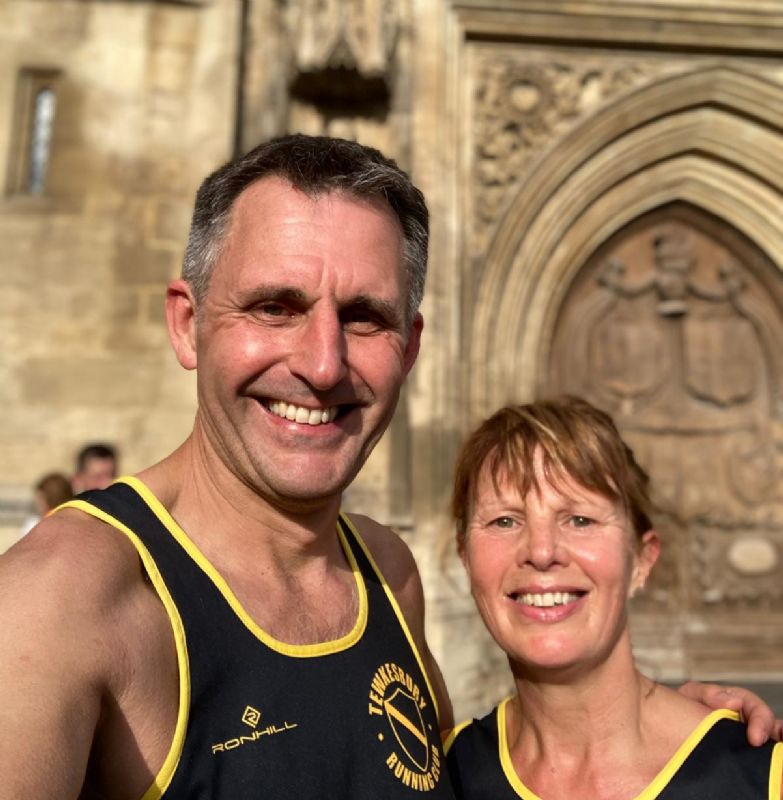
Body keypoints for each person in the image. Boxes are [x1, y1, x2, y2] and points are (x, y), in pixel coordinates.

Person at [0, 136, 776, 799]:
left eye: (364, 317)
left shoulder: (384, 574)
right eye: (275, 306)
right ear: (188, 323)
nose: (322, 362)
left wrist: (669, 736)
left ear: (408, 345)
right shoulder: (60, 604)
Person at [445, 396, 783, 799]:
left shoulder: (761, 775)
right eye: (504, 520)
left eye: (580, 519)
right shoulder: (438, 777)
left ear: (642, 559)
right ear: (465, 557)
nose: (541, 551)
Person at [18, 472, 75, 537]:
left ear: (52, 499)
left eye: (41, 498)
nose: (37, 502)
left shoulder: (34, 526)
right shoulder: (33, 524)